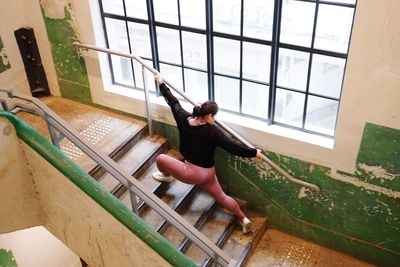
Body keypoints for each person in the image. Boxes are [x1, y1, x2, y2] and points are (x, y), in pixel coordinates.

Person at [152, 74, 262, 234]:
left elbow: (173, 101)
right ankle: (243, 219)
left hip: (191, 173)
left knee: (161, 158)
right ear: (209, 116)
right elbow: (233, 147)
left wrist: (160, 82)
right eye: (214, 116)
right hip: (209, 173)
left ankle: (166, 176)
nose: (215, 119)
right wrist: (254, 153)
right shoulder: (213, 132)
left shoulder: (182, 117)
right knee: (222, 197)